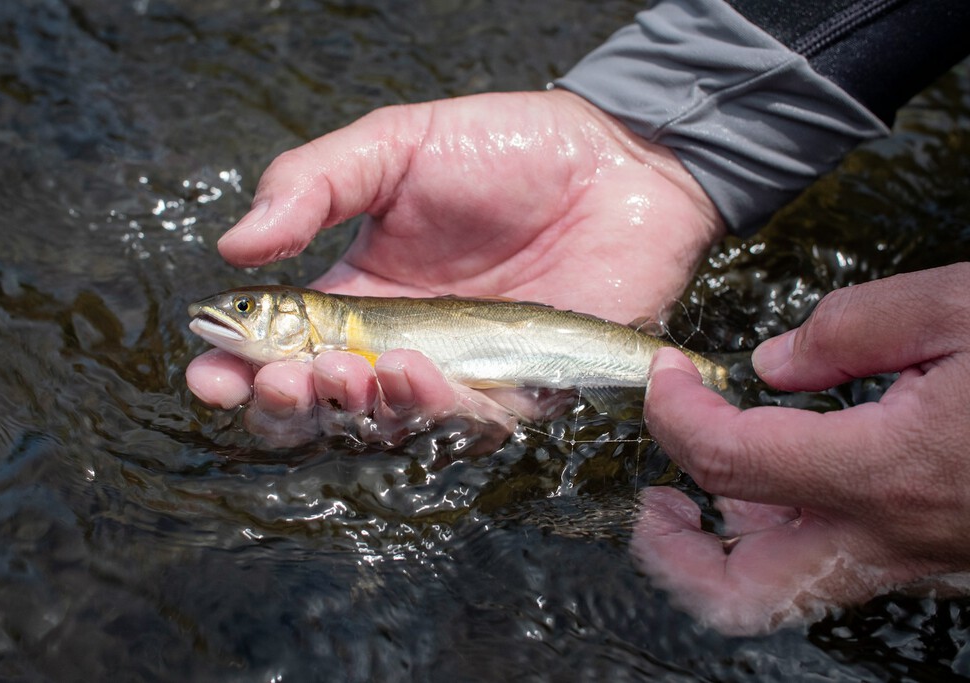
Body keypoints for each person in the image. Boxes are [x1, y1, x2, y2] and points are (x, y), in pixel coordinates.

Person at [186, 0, 970, 635]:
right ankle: (716, 377)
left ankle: (718, 378)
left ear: (297, 316)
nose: (232, 313)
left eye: (250, 306)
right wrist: (644, 137)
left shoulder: (339, 326)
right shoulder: (337, 325)